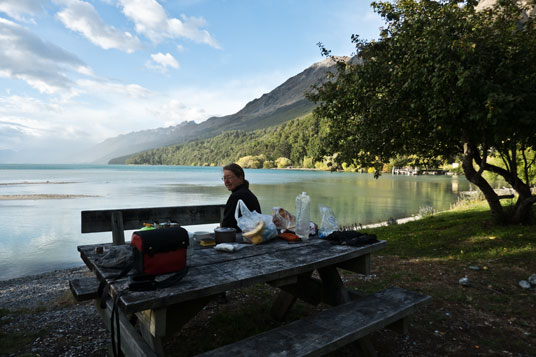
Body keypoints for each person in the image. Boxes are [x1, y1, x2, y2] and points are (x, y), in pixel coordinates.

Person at [221, 163, 261, 231]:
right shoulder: (248, 193)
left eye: (229, 177)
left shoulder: (236, 196)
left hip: (240, 238)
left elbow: (227, 225)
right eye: (224, 178)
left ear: (240, 178)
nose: (226, 181)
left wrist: (221, 229)